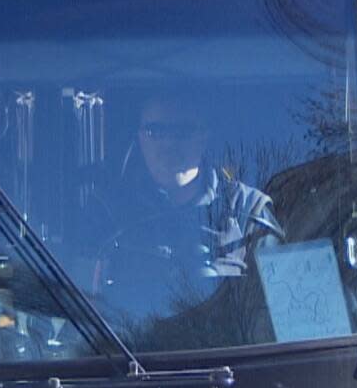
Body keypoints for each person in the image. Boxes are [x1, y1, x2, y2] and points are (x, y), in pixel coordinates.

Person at [93, 93, 284, 323]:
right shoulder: (104, 214)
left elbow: (284, 310)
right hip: (127, 352)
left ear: (204, 136)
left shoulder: (250, 212)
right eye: (156, 131)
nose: (169, 143)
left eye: (183, 131)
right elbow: (78, 314)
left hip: (232, 354)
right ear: (140, 138)